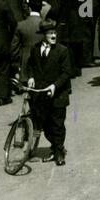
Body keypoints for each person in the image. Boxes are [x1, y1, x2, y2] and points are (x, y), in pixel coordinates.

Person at [28, 19, 75, 166]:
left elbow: (67, 72)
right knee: (46, 126)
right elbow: (31, 65)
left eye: (55, 32)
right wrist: (30, 77)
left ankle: (59, 152)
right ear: (43, 35)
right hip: (41, 94)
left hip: (58, 94)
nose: (54, 36)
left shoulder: (62, 51)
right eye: (50, 33)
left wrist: (55, 86)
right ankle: (54, 149)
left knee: (58, 125)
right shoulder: (35, 49)